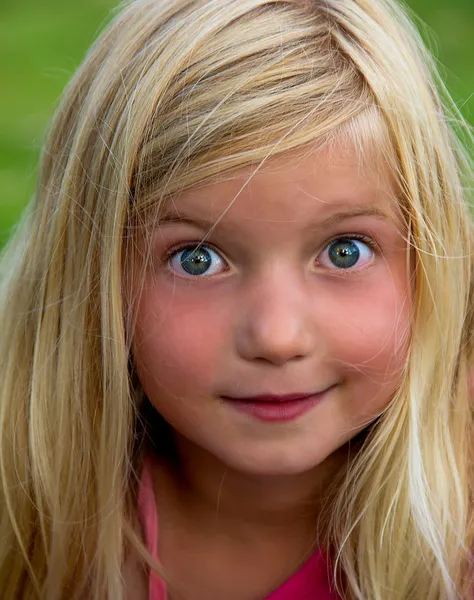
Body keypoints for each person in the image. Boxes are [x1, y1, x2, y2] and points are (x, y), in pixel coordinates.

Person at [1, 0, 473, 598]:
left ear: (431, 258)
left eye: (345, 250)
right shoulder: (27, 517)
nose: (277, 337)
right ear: (97, 279)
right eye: (197, 259)